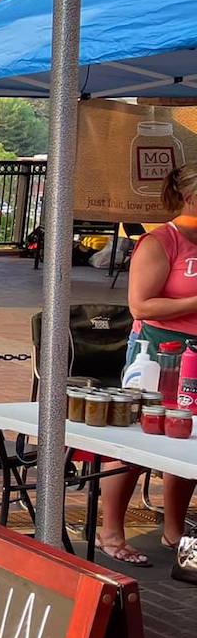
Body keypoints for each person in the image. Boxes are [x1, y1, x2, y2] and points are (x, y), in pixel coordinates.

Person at [96, 159, 197, 578]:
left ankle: (174, 530)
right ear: (190, 195)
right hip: (157, 352)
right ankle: (111, 532)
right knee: (136, 437)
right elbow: (141, 304)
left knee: (186, 436)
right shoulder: (162, 242)